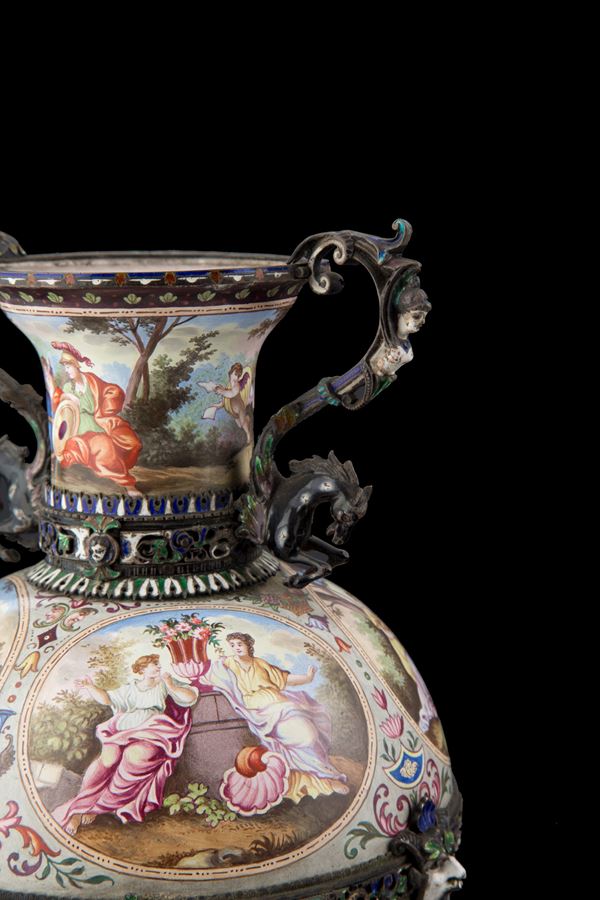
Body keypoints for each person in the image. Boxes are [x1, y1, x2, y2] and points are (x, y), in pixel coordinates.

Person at [53, 654, 198, 834]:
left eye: (158, 663)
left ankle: (97, 807)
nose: (158, 667)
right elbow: (107, 699)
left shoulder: (163, 684)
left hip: (151, 732)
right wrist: (90, 687)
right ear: (142, 669)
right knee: (107, 759)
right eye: (154, 664)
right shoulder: (130, 688)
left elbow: (190, 697)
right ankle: (77, 810)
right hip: (121, 731)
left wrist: (171, 686)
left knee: (134, 757)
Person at [199, 632, 349, 802]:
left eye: (239, 644)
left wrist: (307, 678)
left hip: (282, 704)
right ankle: (322, 780)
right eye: (232, 645)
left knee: (310, 735)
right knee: (304, 737)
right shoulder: (228, 664)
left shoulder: (260, 663)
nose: (236, 648)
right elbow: (209, 675)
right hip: (260, 712)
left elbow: (284, 679)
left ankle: (324, 778)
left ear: (248, 645)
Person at [41, 341, 143, 495]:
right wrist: (51, 383)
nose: (67, 371)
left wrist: (103, 407)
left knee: (128, 442)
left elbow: (111, 392)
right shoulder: (68, 387)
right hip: (77, 430)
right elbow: (61, 407)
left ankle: (126, 485)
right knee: (103, 445)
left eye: (68, 367)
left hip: (96, 425)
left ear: (76, 365)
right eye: (65, 368)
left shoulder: (91, 381)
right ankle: (128, 485)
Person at [198, 362, 253, 444]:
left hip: (239, 409)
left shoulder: (237, 386)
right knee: (239, 425)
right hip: (232, 411)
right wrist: (216, 406)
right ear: (230, 373)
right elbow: (225, 401)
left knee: (243, 423)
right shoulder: (228, 386)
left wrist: (221, 391)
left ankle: (248, 435)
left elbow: (231, 394)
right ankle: (247, 419)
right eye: (234, 374)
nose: (235, 377)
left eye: (238, 375)